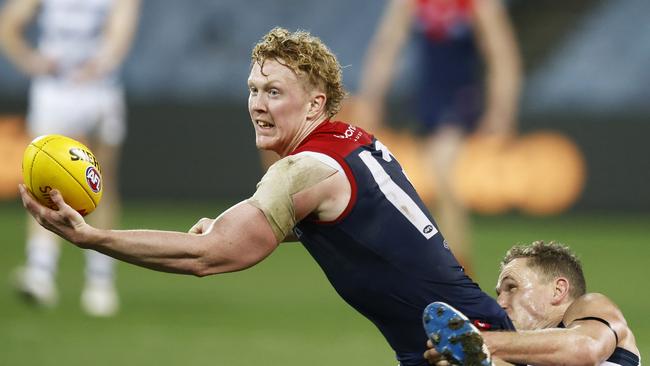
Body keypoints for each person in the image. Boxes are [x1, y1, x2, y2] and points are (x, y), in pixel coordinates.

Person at [19, 27, 515, 365]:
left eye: (274, 92)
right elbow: (346, 224)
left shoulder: (306, 169)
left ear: (315, 102)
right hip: (474, 339)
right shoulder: (351, 141)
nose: (257, 104)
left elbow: (207, 258)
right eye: (253, 89)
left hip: (472, 352)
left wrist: (92, 236)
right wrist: (234, 224)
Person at [357, 0, 522, 271]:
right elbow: (387, 45)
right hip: (428, 100)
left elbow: (501, 54)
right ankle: (451, 266)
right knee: (438, 184)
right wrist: (372, 98)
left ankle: (457, 270)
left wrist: (501, 110)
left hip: (460, 97)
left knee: (445, 178)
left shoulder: (475, 4)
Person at [0, 0, 141, 316]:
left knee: (101, 181)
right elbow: (9, 24)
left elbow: (121, 31)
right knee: (40, 181)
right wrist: (31, 61)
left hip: (98, 89)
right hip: (55, 91)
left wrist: (101, 63)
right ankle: (41, 270)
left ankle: (100, 279)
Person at [423, 241, 641, 366]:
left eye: (512, 287)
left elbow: (585, 348)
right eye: (499, 293)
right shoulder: (520, 358)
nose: (499, 303)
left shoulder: (591, 306)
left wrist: (477, 342)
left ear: (558, 290)